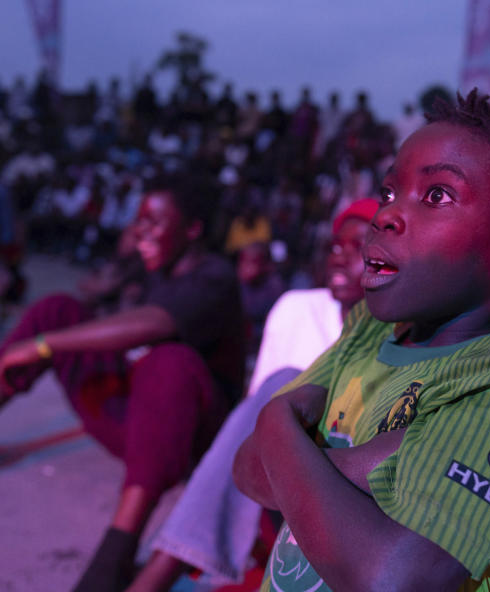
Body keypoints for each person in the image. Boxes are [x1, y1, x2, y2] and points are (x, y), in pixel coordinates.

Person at [233, 89, 490, 591]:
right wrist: (389, 458)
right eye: (388, 193)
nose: (385, 215)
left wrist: (281, 431)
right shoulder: (370, 328)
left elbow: (394, 579)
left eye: (437, 195)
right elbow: (248, 468)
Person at [0, 176, 246, 592]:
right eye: (138, 220)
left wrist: (42, 346)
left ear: (193, 230)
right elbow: (92, 296)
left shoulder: (213, 276)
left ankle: (116, 554)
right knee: (59, 309)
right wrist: (123, 262)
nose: (141, 230)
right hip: (139, 428)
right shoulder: (153, 267)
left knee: (170, 362)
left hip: (188, 442)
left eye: (154, 222)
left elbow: (153, 324)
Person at [128, 198, 378, 592]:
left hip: (339, 496)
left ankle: (163, 569)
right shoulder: (297, 308)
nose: (340, 258)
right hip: (271, 481)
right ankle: (166, 567)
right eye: (335, 247)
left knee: (291, 384)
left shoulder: (399, 335)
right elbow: (257, 412)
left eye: (359, 247)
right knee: (282, 385)